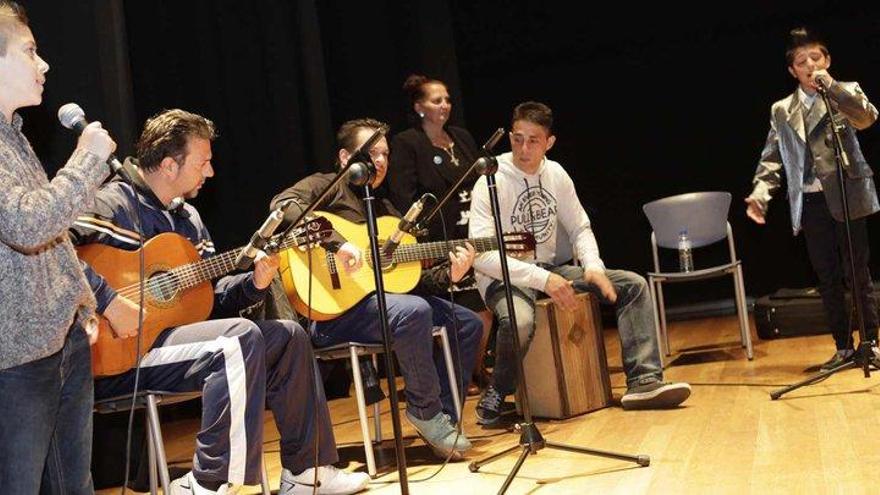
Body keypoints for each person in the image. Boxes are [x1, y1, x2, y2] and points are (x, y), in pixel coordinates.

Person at [70, 109, 369, 495]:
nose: (210, 173)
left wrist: (254, 283)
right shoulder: (110, 203)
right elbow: (55, 254)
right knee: (235, 340)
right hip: (114, 353)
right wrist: (110, 301)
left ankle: (307, 472)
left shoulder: (189, 218)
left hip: (172, 343)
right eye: (203, 162)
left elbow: (212, 300)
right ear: (167, 165)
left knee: (288, 336)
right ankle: (207, 482)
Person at [271, 118, 483, 460]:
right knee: (415, 311)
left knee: (467, 323)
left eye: (385, 153)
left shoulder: (385, 211)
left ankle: (444, 417)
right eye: (372, 152)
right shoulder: (327, 188)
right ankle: (425, 411)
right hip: (331, 313)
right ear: (345, 158)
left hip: (381, 309)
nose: (381, 161)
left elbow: (412, 280)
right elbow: (283, 205)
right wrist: (338, 244)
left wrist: (452, 275)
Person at [469, 101, 691, 424]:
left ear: (549, 143)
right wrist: (543, 281)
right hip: (503, 278)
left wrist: (593, 267)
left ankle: (644, 381)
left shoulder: (556, 174)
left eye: (533, 140)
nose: (523, 148)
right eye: (517, 138)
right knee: (520, 322)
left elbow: (579, 227)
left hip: (549, 269)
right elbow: (483, 255)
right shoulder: (490, 180)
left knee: (633, 286)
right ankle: (498, 391)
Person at [0, 2, 117, 492]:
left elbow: (52, 236)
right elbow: (26, 223)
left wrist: (83, 303)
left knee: (75, 485)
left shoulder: (13, 137)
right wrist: (86, 160)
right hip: (18, 357)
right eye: (30, 51)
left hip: (60, 340)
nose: (43, 63)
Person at [746, 27, 880, 371]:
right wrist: (760, 195)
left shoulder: (844, 92)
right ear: (792, 70)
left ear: (827, 60)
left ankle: (871, 345)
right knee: (827, 276)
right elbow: (772, 156)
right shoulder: (782, 109)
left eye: (815, 58)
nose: (809, 65)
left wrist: (831, 87)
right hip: (810, 202)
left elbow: (866, 118)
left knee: (858, 272)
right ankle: (842, 347)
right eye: (801, 61)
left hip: (849, 195)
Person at [387, 74, 492, 393]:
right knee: (458, 304)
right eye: (436, 100)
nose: (444, 105)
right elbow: (404, 196)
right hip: (432, 238)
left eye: (447, 99)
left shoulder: (460, 136)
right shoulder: (407, 143)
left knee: (483, 306)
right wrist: (421, 245)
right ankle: (455, 371)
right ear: (419, 107)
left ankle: (475, 367)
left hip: (469, 230)